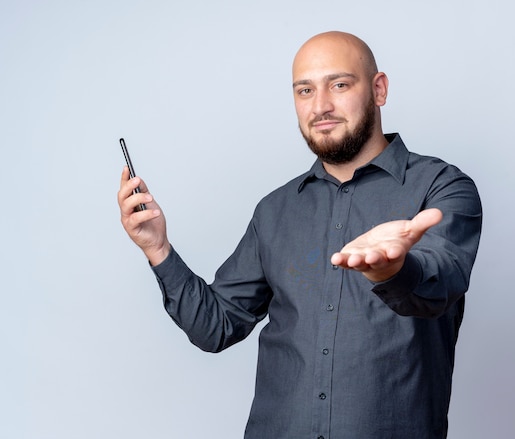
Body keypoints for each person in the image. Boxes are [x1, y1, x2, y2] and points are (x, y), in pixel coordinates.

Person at [118, 31, 482, 439]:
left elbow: (442, 281)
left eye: (340, 85)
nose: (321, 106)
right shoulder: (274, 211)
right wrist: (158, 247)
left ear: (379, 89)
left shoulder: (441, 187)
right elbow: (216, 326)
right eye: (305, 90)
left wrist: (393, 270)